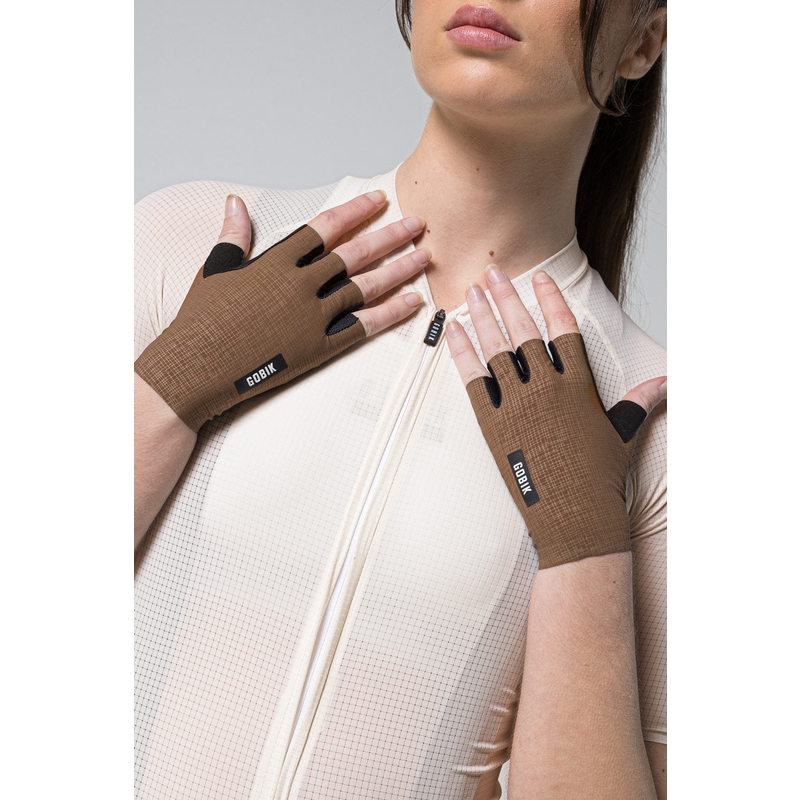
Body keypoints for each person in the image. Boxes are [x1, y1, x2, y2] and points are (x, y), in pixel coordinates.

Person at [134, 1, 668, 798]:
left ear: (643, 41)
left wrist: (583, 543)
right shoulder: (191, 248)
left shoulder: (644, 411)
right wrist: (170, 385)